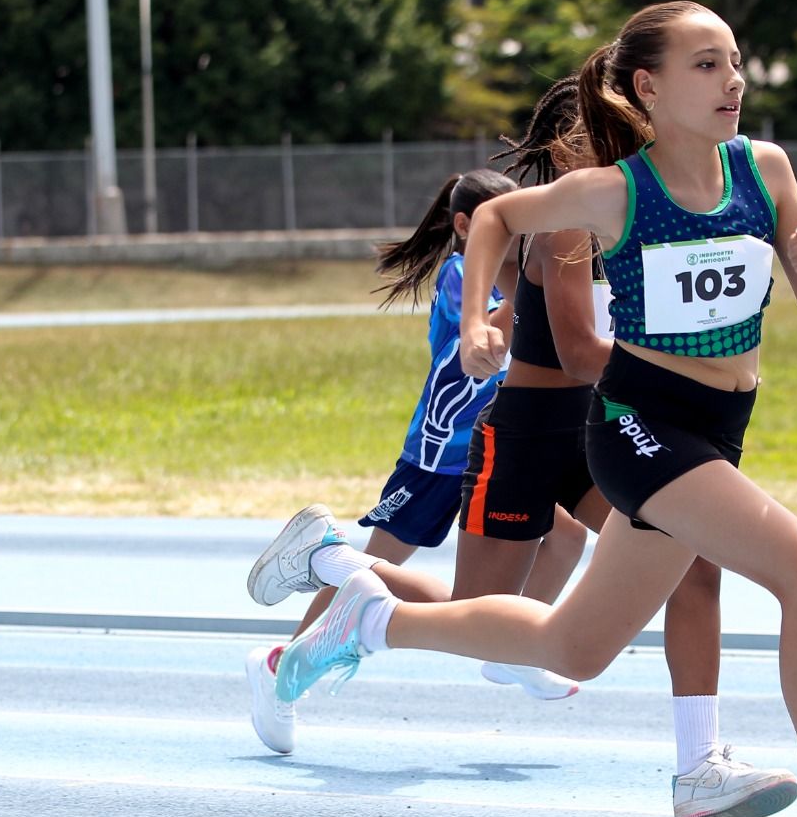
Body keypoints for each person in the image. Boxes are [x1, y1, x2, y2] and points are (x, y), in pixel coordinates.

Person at [271, 2, 797, 817]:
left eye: (735, 63)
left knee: (572, 648)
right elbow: (492, 220)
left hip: (718, 429)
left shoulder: (766, 170)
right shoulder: (618, 193)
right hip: (641, 427)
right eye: (707, 66)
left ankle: (370, 619)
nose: (733, 81)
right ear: (650, 86)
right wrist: (483, 321)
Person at [252, 76, 797, 817]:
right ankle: (337, 564)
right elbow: (577, 350)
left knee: (696, 564)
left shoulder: (655, 204)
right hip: (530, 430)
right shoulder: (575, 219)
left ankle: (698, 764)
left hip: (607, 423)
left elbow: (539, 309)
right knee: (484, 610)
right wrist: (678, 381)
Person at [245, 169, 586, 754]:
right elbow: (494, 336)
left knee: (567, 538)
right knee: (377, 566)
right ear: (465, 226)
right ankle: (282, 665)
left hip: (498, 449)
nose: (517, 229)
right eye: (504, 220)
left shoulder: (524, 272)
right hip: (441, 454)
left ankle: (514, 646)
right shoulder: (462, 277)